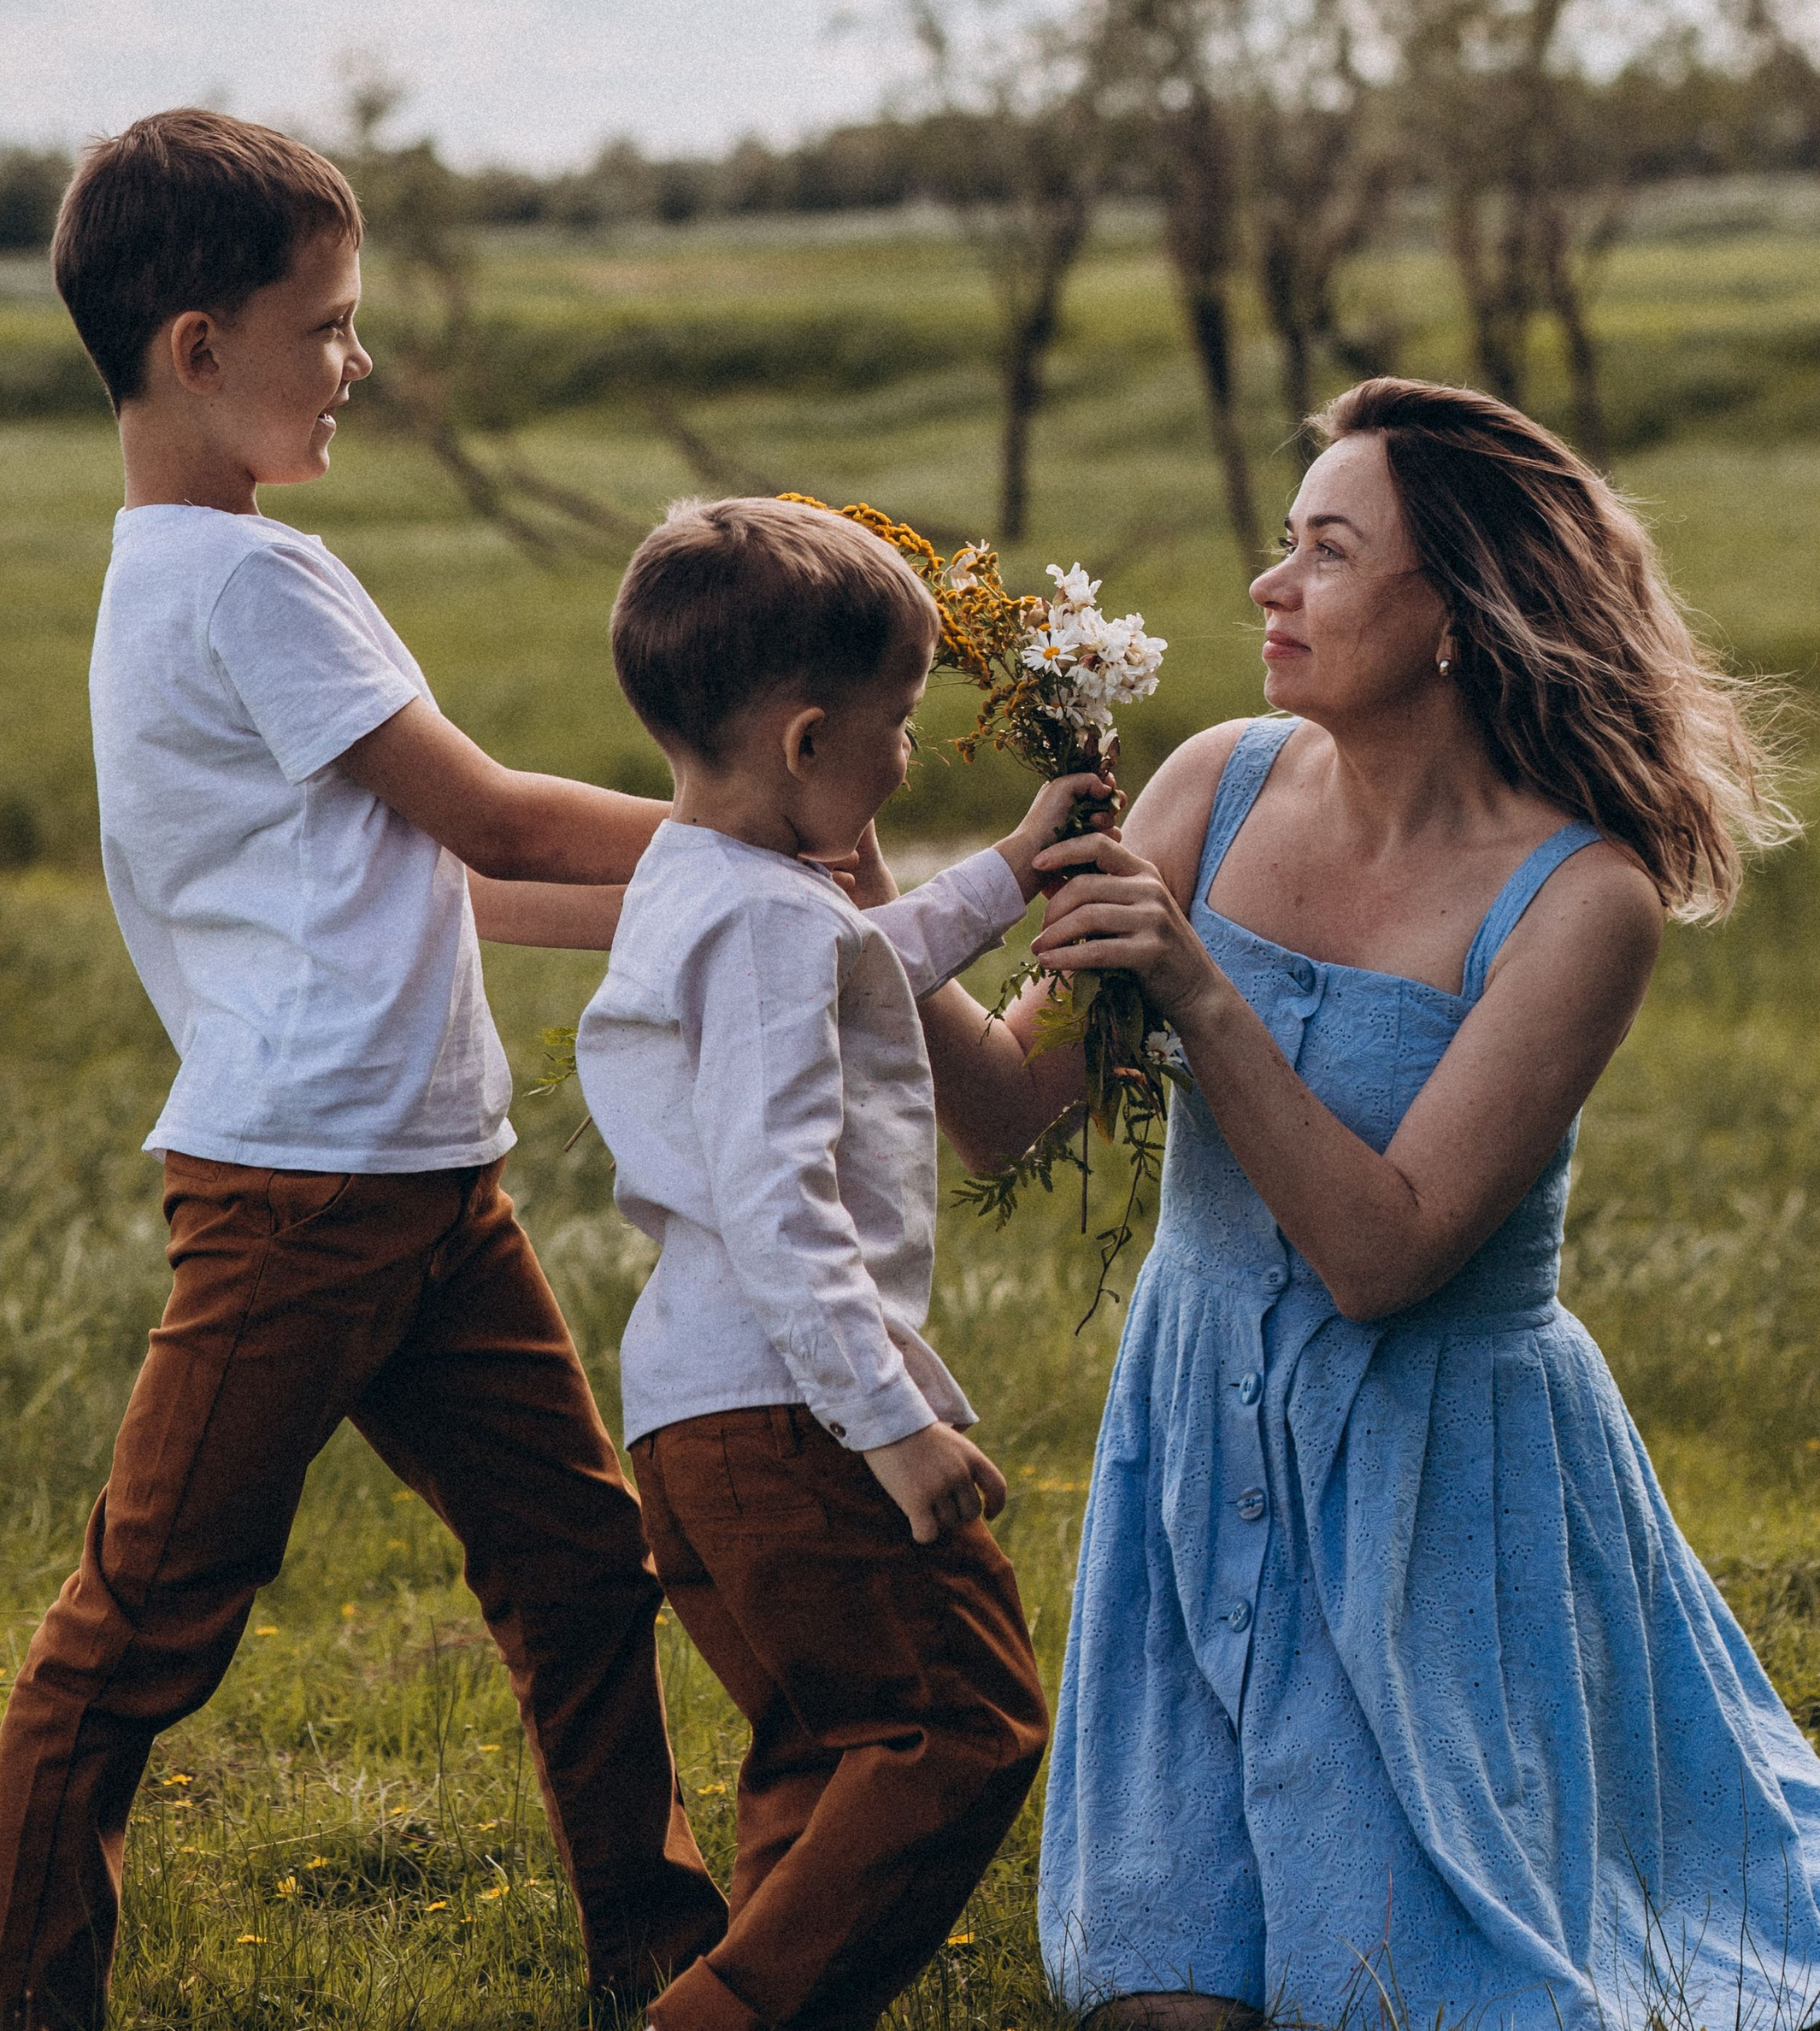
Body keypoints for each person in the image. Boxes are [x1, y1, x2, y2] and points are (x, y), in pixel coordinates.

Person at [944, 376, 1820, 2031]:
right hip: (1202, 1437)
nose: (1268, 587)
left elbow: (1383, 1256)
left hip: (1432, 1484)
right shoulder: (1213, 783)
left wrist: (1197, 986)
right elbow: (1002, 1116)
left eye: (1324, 552)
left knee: (1399, 1996)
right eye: (1282, 543)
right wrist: (848, 916)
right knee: (1155, 2005)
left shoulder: (1579, 897)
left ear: (1458, 611)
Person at [0, 109, 728, 2031]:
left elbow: (454, 880)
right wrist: (755, 836)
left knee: (578, 1559)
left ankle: (665, 1962)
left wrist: (765, 913)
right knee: (135, 1633)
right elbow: (490, 807)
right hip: (307, 1188)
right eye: (323, 322)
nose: (355, 358)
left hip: (419, 1183)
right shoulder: (250, 582)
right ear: (196, 348)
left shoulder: (191, 572)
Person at [575, 496, 1087, 2031]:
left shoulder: (705, 881)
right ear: (809, 744)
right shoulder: (770, 925)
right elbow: (777, 1197)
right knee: (963, 1718)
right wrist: (892, 1417)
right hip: (792, 1405)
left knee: (827, 1733)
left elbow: (866, 961)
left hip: (694, 1413)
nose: (908, 754)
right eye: (901, 723)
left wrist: (1008, 869)